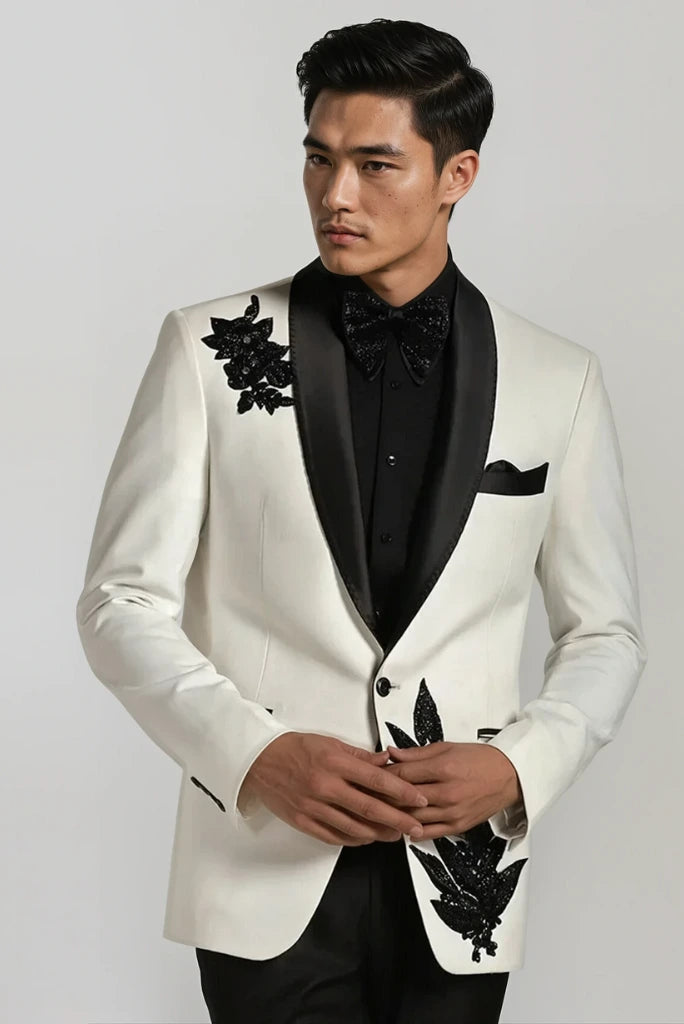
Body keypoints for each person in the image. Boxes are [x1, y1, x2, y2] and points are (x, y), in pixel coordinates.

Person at [75, 17, 648, 1024]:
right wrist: (255, 754)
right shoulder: (206, 349)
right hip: (262, 865)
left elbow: (605, 632)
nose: (335, 195)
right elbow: (119, 603)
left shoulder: (559, 380)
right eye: (318, 159)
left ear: (457, 175)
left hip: (462, 876)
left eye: (375, 165)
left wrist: (519, 763)